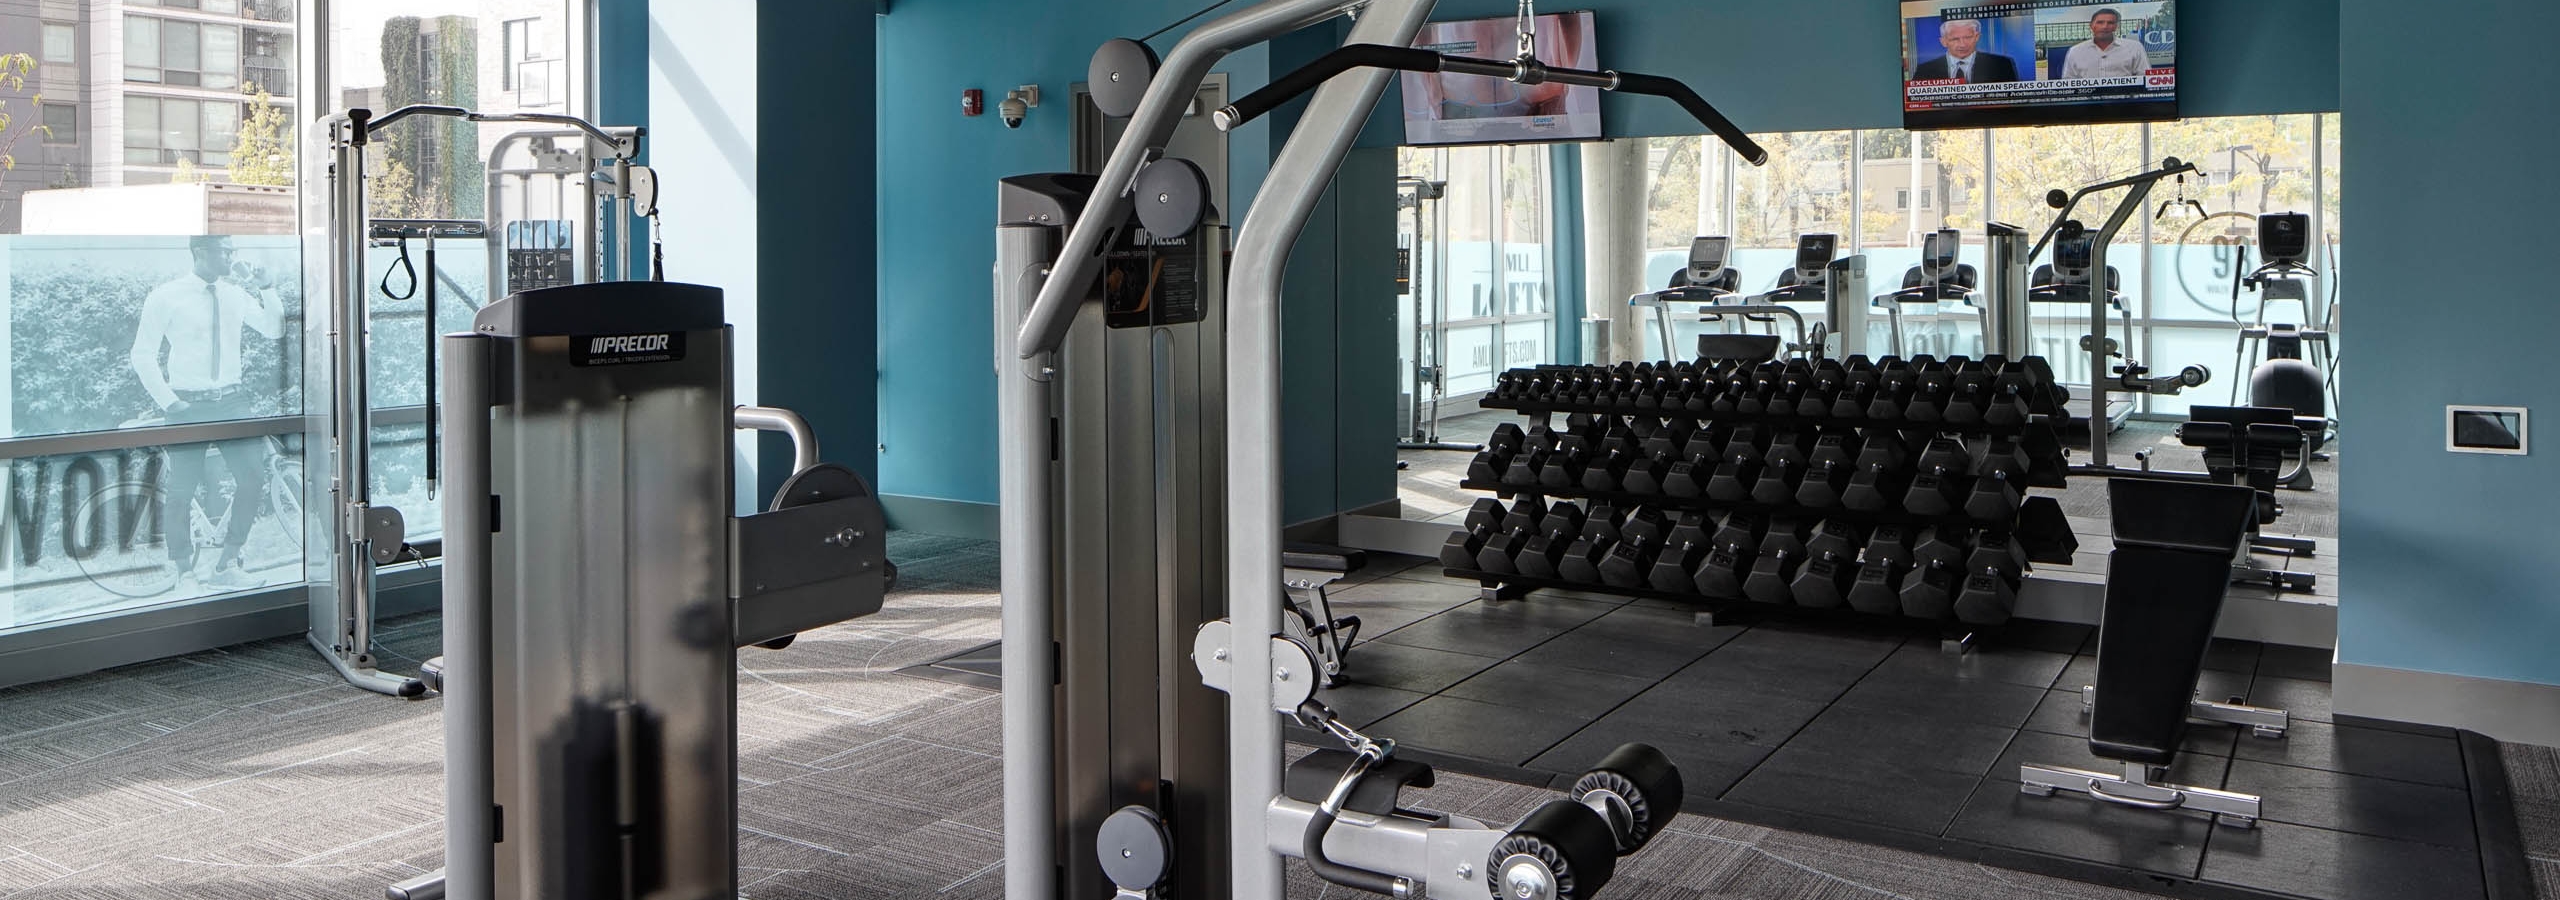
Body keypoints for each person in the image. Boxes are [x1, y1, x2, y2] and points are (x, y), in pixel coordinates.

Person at [127, 234, 285, 591]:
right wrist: (170, 402)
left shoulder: (234, 294)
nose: (231, 257)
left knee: (252, 478)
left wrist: (267, 287)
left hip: (232, 400)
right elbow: (142, 354)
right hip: (187, 402)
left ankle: (227, 563)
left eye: (233, 250)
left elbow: (274, 330)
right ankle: (184, 571)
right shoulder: (166, 295)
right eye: (224, 251)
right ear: (200, 252)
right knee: (182, 489)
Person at [1912, 18, 2019, 84]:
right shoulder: (1924, 71)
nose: (1962, 44)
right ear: (1943, 41)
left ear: (1977, 37)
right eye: (1955, 39)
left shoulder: (2002, 65)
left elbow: (2013, 106)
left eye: (1968, 37)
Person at [2059, 8, 2149, 80]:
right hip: (2088, 102)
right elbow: (2068, 83)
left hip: (2125, 101)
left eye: (2110, 23)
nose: (2105, 26)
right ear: (2091, 26)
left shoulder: (2134, 47)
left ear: (2116, 27)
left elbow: (2145, 78)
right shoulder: (2075, 51)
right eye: (2100, 22)